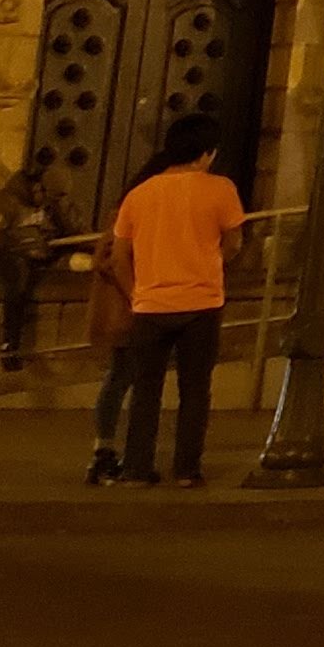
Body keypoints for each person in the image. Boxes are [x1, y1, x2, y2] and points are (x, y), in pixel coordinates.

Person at [95, 116, 243, 488]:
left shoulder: (140, 194)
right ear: (207, 153)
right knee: (195, 390)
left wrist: (136, 292)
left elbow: (118, 256)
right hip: (201, 302)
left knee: (146, 390)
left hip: (150, 305)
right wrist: (209, 263)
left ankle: (136, 468)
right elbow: (234, 243)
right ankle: (186, 470)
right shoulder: (220, 189)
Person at [0, 161, 55, 371]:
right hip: (13, 258)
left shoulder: (41, 206)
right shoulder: (6, 203)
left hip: (38, 256)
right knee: (16, 290)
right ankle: (9, 344)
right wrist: (23, 248)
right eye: (36, 190)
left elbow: (51, 228)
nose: (40, 194)